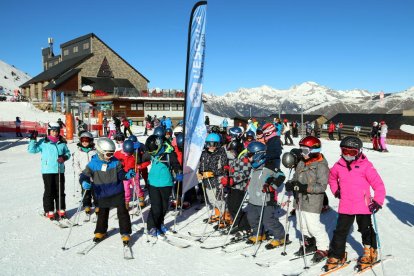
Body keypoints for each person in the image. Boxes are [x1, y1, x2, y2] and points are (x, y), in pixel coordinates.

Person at [323, 136, 386, 272]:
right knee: (340, 231)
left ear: (358, 152)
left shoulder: (366, 166)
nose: (347, 155)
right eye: (344, 151)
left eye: (352, 152)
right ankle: (337, 254)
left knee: (366, 229)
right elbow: (332, 178)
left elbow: (379, 184)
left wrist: (377, 201)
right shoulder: (338, 165)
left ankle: (370, 252)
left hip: (364, 205)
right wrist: (336, 190)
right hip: (346, 204)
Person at [79, 138, 134, 246]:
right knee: (102, 213)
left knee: (123, 213)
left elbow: (120, 174)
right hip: (102, 193)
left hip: (117, 191)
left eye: (112, 154)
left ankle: (125, 232)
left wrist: (126, 175)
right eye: (108, 154)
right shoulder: (93, 164)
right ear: (100, 152)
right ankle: (101, 231)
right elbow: (84, 175)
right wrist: (84, 182)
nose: (111, 156)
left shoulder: (115, 162)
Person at [285, 136, 330, 263]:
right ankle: (309, 243)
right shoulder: (301, 162)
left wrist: (305, 187)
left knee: (313, 226)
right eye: (301, 150)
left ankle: (323, 247)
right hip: (299, 199)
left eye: (305, 150)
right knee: (302, 225)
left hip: (312, 201)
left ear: (314, 150)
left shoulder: (321, 166)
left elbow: (322, 186)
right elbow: (295, 177)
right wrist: (291, 183)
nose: (302, 153)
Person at [245, 141, 287, 249]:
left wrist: (272, 186)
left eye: (249, 155)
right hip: (253, 199)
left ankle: (280, 237)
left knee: (268, 220)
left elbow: (281, 176)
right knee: (252, 217)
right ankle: (259, 234)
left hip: (266, 200)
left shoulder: (270, 166)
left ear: (258, 154)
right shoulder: (253, 167)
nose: (247, 157)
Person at [28, 122, 71, 221]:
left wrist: (64, 157)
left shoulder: (62, 142)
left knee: (60, 191)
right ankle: (49, 210)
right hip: (48, 171)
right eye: (53, 131)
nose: (55, 133)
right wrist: (33, 139)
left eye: (57, 131)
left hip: (59, 170)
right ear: (49, 131)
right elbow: (32, 150)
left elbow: (68, 153)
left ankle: (61, 209)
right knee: (49, 191)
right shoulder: (44, 142)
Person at [145, 134, 181, 236]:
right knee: (156, 207)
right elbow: (141, 158)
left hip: (166, 183)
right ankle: (152, 226)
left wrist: (178, 172)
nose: (151, 153)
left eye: (153, 151)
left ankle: (160, 223)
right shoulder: (151, 152)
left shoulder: (169, 153)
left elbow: (175, 164)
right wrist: (137, 151)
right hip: (153, 183)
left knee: (164, 207)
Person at [222, 139, 251, 238]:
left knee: (236, 207)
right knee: (230, 205)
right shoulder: (238, 156)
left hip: (239, 187)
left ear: (238, 149)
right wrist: (228, 169)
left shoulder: (244, 157)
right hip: (233, 186)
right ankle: (236, 223)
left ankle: (245, 227)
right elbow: (236, 168)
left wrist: (232, 180)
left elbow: (244, 173)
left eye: (233, 151)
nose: (232, 153)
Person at [197, 133, 228, 224]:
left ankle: (225, 216)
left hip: (218, 180)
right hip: (207, 180)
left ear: (218, 144)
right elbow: (201, 165)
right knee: (211, 199)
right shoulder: (204, 153)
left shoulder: (221, 153)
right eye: (209, 144)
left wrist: (212, 173)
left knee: (219, 199)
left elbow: (224, 168)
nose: (211, 146)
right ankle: (218, 214)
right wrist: (200, 172)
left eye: (213, 144)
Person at [73, 132, 98, 218]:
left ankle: (97, 205)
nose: (84, 142)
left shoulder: (95, 151)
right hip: (84, 174)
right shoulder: (78, 152)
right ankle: (87, 205)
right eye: (82, 140)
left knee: (96, 190)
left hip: (95, 174)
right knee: (85, 190)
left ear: (90, 141)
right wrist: (80, 173)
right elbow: (75, 164)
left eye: (86, 140)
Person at [114, 140, 136, 210]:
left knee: (136, 186)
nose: (128, 154)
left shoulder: (135, 153)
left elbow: (140, 160)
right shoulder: (118, 154)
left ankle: (140, 196)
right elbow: (113, 160)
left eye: (129, 153)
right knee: (126, 189)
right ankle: (127, 202)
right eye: (127, 152)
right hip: (124, 174)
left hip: (133, 173)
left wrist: (138, 167)